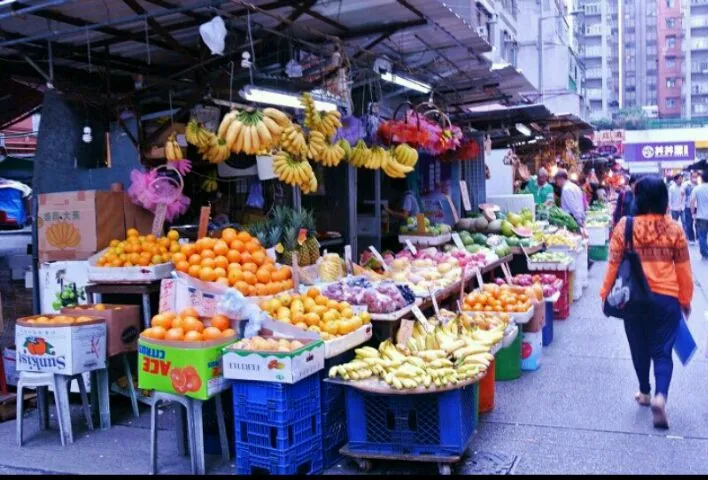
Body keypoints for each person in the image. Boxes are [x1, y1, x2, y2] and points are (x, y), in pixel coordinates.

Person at [600, 176, 694, 429]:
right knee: (662, 352)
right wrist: (685, 300)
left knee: (639, 347)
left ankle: (644, 392)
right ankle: (660, 397)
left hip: (633, 300)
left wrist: (605, 296)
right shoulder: (674, 228)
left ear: (638, 198)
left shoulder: (625, 226)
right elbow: (684, 270)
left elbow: (613, 266)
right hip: (666, 300)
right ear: (664, 198)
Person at [690, 169, 708, 260]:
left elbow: (692, 201)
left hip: (701, 216)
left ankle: (705, 253)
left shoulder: (697, 189)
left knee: (702, 235)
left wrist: (693, 213)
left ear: (702, 178)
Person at [682, 172, 697, 244]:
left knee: (698, 223)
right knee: (689, 223)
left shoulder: (699, 184)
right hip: (688, 206)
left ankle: (698, 238)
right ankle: (691, 239)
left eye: (696, 176)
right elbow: (682, 194)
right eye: (694, 176)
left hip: (698, 206)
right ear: (690, 177)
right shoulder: (686, 185)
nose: (695, 178)